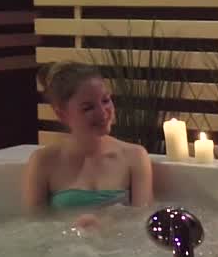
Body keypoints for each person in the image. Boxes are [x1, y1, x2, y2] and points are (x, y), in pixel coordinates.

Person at [22, 62, 153, 222]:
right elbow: (32, 230)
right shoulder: (43, 161)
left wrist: (106, 227)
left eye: (105, 100)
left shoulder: (135, 157)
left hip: (117, 245)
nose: (102, 112)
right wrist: (71, 231)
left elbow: (143, 225)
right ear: (62, 114)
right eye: (88, 108)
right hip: (66, 246)